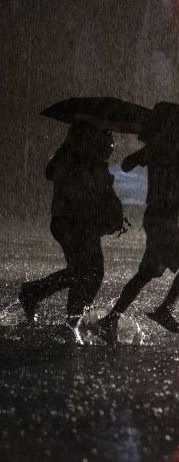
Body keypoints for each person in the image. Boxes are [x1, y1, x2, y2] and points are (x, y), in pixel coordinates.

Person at [97, 103, 179, 339]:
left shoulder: (160, 145)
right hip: (163, 221)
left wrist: (146, 156)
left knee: (145, 275)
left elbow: (127, 164)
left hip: (158, 218)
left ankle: (111, 318)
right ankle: (163, 309)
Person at [18, 122, 124, 344]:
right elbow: (82, 196)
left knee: (86, 271)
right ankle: (67, 317)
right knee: (88, 272)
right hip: (74, 224)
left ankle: (51, 304)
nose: (111, 143)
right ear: (91, 139)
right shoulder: (77, 161)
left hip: (78, 224)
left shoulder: (84, 161)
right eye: (107, 137)